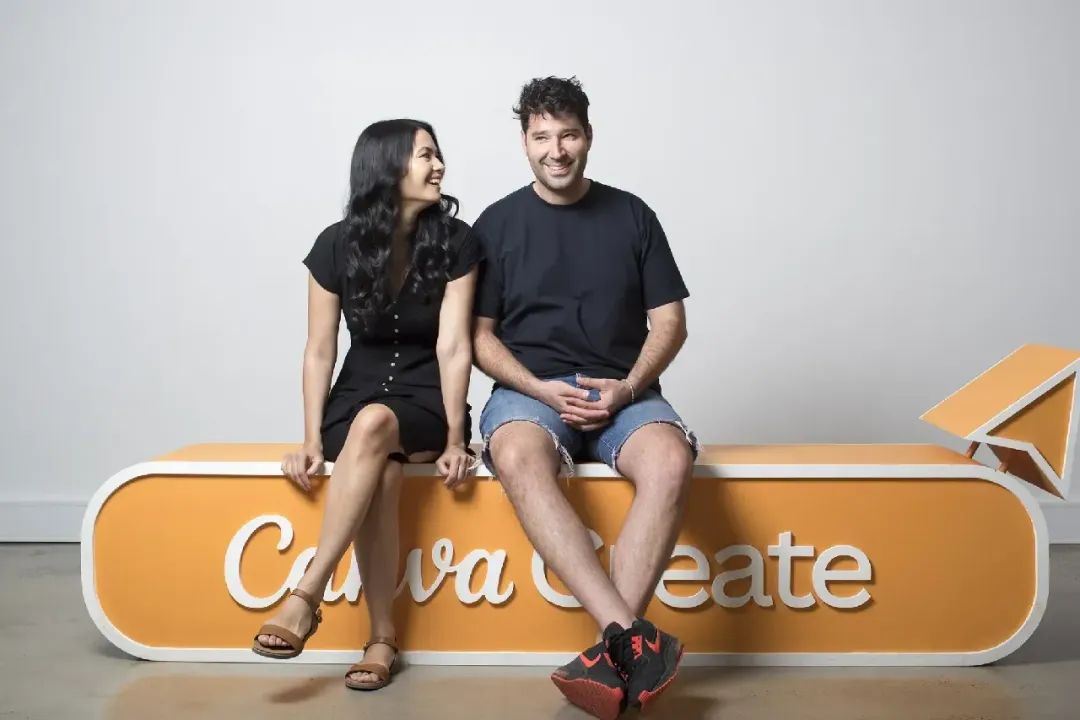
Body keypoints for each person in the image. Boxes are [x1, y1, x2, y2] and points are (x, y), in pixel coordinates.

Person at [471, 77, 697, 719]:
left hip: (624, 391)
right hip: (532, 391)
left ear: (588, 137)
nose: (556, 150)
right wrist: (536, 386)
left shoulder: (632, 215)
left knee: (671, 459)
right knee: (517, 453)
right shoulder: (497, 223)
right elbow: (479, 337)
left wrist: (627, 387)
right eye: (542, 137)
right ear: (524, 143)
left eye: (568, 135)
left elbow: (670, 322)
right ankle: (629, 640)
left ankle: (611, 654)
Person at [251, 119, 478, 693]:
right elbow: (319, 349)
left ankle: (308, 592)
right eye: (425, 155)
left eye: (438, 155)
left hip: (425, 402)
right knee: (384, 472)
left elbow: (454, 346)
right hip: (352, 401)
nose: (439, 166)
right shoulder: (335, 244)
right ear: (387, 167)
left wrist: (456, 439)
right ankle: (382, 638)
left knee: (376, 424)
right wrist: (310, 438)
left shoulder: (458, 242)